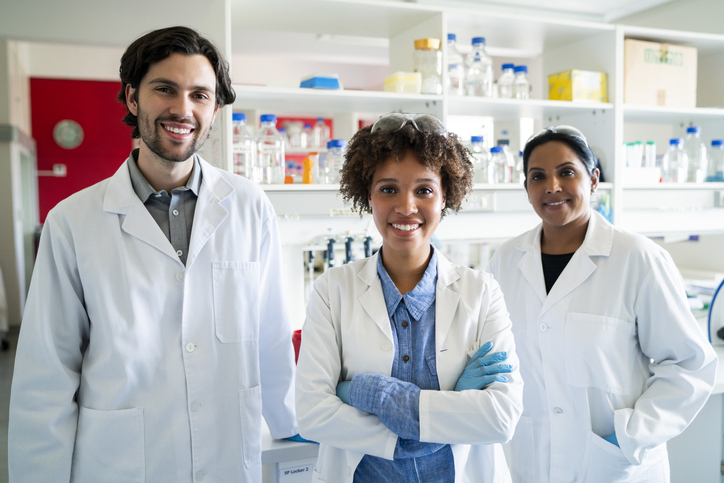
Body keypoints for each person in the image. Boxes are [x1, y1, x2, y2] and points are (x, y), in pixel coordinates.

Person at [8, 26, 299, 482]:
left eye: (200, 95)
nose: (183, 109)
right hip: (120, 462)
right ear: (132, 99)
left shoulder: (249, 205)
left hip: (226, 456)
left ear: (215, 109)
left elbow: (272, 334)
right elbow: (47, 373)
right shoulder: (73, 221)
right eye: (165, 89)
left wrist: (291, 425)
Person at [295, 113, 523, 483]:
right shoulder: (333, 290)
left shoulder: (481, 293)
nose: (406, 206)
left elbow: (501, 417)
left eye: (424, 190)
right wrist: (444, 417)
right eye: (388, 189)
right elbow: (311, 413)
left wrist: (371, 393)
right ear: (368, 195)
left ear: (445, 195)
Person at [487, 125, 717, 483]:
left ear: (593, 180)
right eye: (538, 176)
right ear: (527, 188)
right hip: (529, 461)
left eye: (567, 172)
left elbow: (689, 366)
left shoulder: (638, 259)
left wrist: (628, 438)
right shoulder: (505, 261)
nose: (552, 186)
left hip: (615, 465)